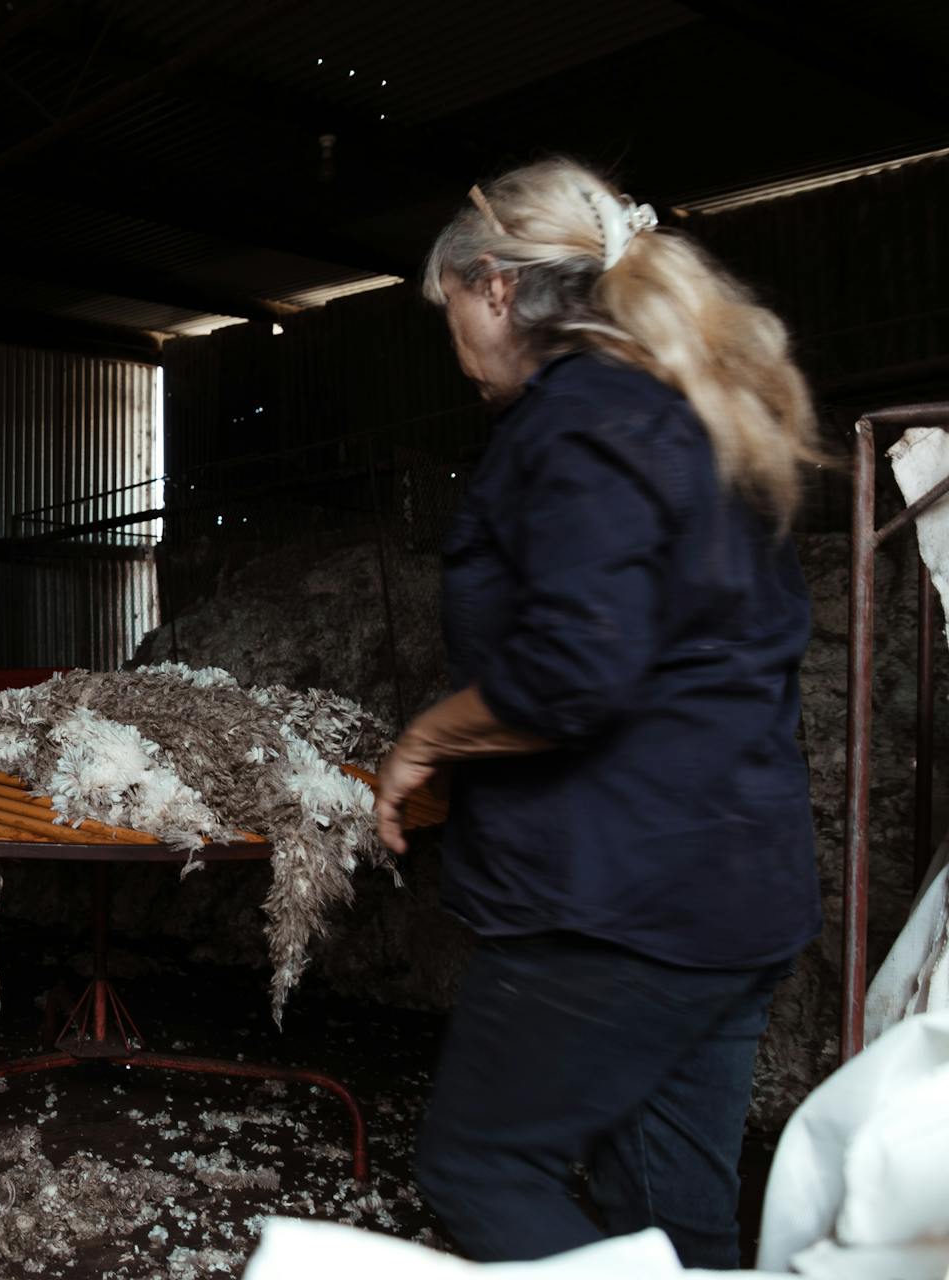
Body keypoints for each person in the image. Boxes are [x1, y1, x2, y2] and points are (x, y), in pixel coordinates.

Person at [372, 159, 824, 1269]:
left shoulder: (581, 421)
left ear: (491, 287)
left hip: (618, 903)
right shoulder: (694, 410)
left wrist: (426, 737)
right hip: (737, 897)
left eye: (451, 319)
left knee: (479, 1169)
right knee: (667, 1216)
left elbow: (575, 671)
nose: (459, 351)